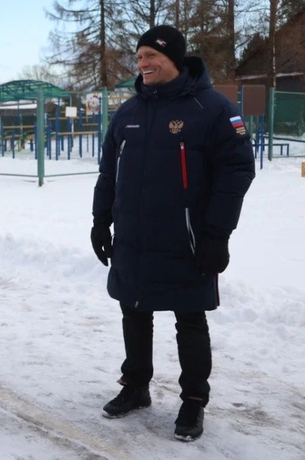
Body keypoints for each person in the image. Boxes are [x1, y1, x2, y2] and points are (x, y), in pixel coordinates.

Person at [91, 25, 255, 441]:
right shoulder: (128, 112)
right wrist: (100, 220)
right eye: (139, 56)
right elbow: (109, 171)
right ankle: (136, 386)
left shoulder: (212, 109)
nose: (142, 64)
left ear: (175, 59)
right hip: (134, 236)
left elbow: (236, 171)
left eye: (151, 56)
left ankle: (193, 401)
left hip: (187, 239)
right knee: (133, 310)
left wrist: (217, 234)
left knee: (190, 319)